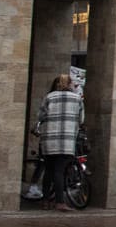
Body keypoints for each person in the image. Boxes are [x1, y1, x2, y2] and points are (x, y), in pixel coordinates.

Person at [35, 74, 84, 210]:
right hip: (67, 141)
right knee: (59, 170)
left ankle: (45, 201)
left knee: (49, 170)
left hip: (49, 140)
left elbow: (40, 116)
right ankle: (60, 202)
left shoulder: (49, 97)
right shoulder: (77, 99)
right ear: (69, 84)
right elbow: (81, 119)